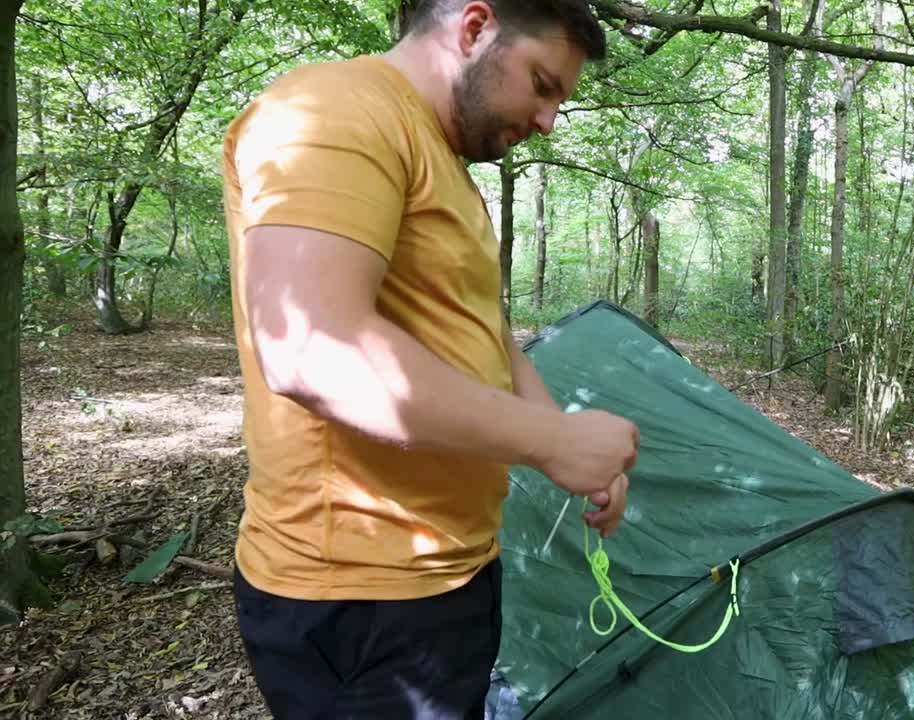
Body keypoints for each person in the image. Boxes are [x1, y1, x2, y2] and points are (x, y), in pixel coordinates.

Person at [219, 2, 637, 718]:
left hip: (448, 577)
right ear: (474, 27)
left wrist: (569, 450)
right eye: (542, 84)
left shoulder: (442, 161)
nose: (547, 121)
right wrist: (554, 441)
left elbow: (482, 332)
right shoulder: (332, 112)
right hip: (361, 599)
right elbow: (309, 351)